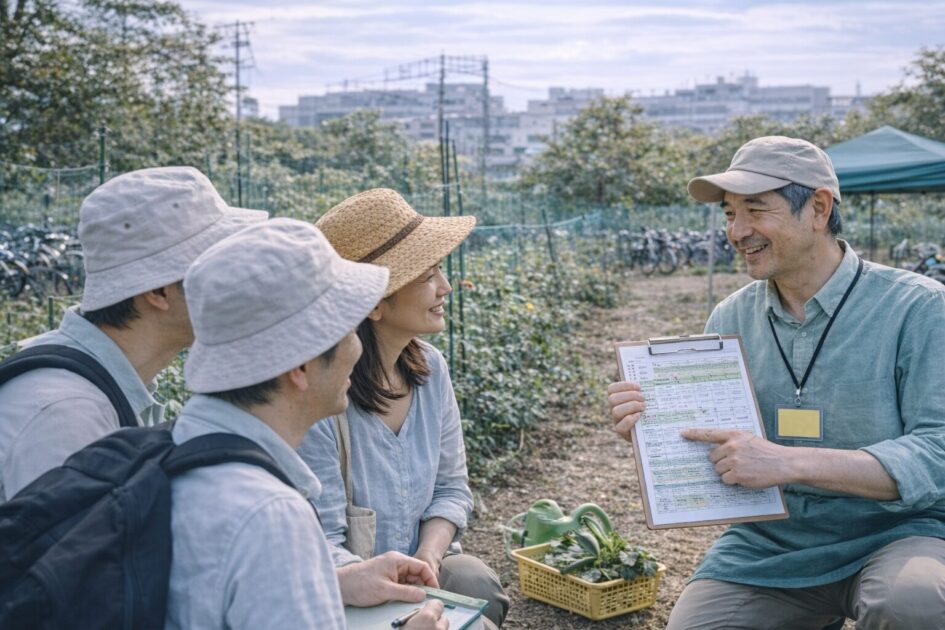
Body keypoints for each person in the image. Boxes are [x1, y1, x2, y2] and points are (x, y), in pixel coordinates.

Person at [608, 136, 945, 629]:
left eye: (755, 211)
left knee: (913, 605)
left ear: (819, 208)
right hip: (773, 541)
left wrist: (785, 461)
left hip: (896, 531)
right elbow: (719, 446)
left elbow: (937, 452)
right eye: (728, 214)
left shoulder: (918, 309)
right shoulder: (732, 317)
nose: (737, 231)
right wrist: (654, 429)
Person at [167, 217, 446, 629]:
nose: (357, 347)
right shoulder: (273, 516)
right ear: (301, 366)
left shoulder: (173, 455)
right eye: (346, 330)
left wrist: (340, 580)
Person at [299, 189, 510, 629]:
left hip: (418, 568)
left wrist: (427, 557)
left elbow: (452, 488)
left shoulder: (431, 369)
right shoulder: (323, 400)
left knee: (477, 586)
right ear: (375, 302)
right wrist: (393, 587)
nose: (445, 287)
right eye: (427, 274)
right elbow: (321, 545)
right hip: (347, 587)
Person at [0, 167, 266, 501]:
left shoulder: (105, 384)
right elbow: (68, 550)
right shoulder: (68, 416)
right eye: (221, 268)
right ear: (159, 291)